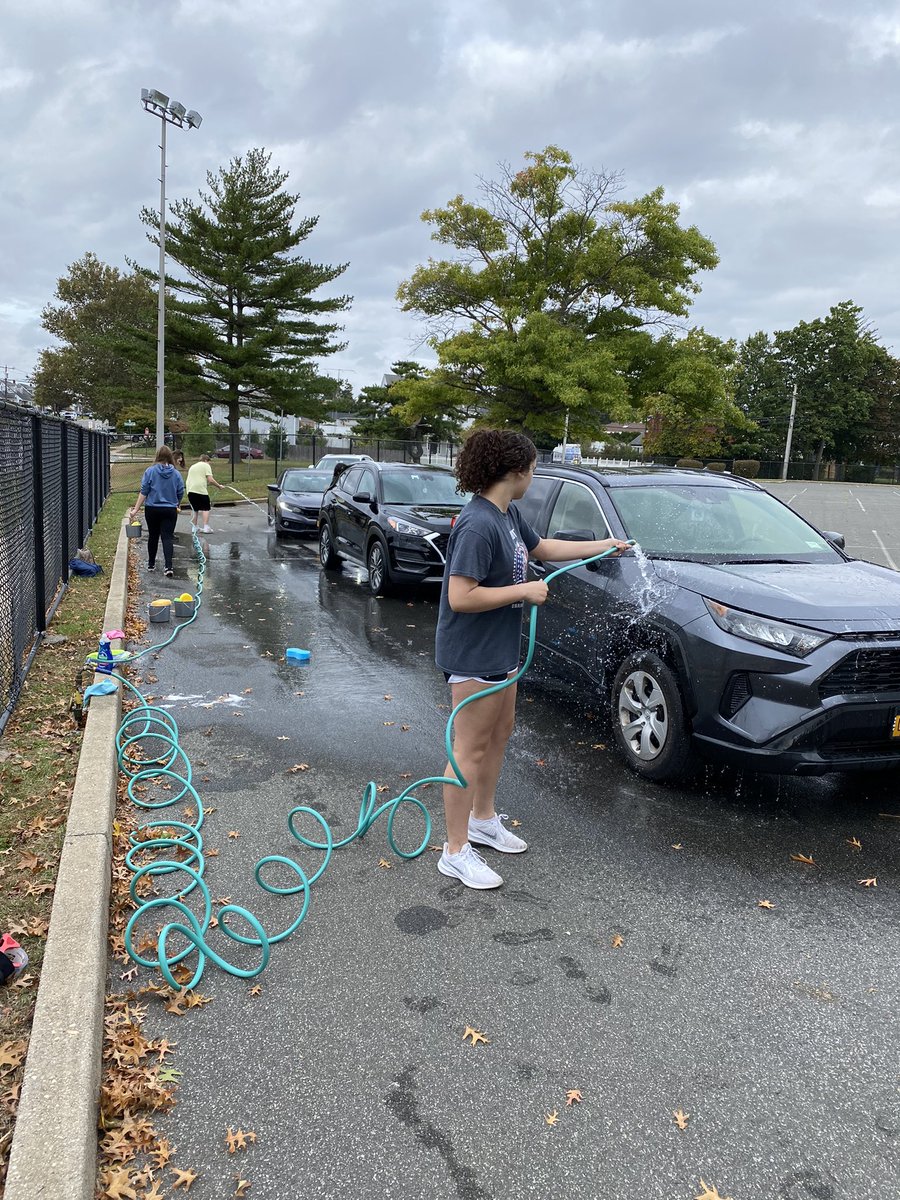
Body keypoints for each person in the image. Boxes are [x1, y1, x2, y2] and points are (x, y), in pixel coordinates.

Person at [434, 429, 630, 891]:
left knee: (498, 735)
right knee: (469, 749)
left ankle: (483, 821)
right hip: (473, 653)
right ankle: (455, 851)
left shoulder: (506, 514)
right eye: (534, 469)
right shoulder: (478, 524)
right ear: (516, 471)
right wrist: (523, 590)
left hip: (501, 649)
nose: (534, 477)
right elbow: (461, 596)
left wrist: (604, 544)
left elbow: (543, 548)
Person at [128, 446, 185, 577]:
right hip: (170, 509)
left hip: (152, 508)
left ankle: (151, 564)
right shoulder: (176, 473)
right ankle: (168, 567)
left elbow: (144, 491)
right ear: (170, 456)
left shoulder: (150, 471)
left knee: (153, 536)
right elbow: (180, 490)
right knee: (167, 537)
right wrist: (177, 503)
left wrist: (136, 509)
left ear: (157, 455)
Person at [185, 453, 225, 533]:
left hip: (190, 489)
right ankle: (206, 527)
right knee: (206, 508)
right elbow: (210, 480)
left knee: (195, 509)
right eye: (209, 462)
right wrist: (219, 486)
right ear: (206, 460)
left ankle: (194, 527)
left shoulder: (193, 466)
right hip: (200, 489)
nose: (209, 464)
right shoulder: (206, 465)